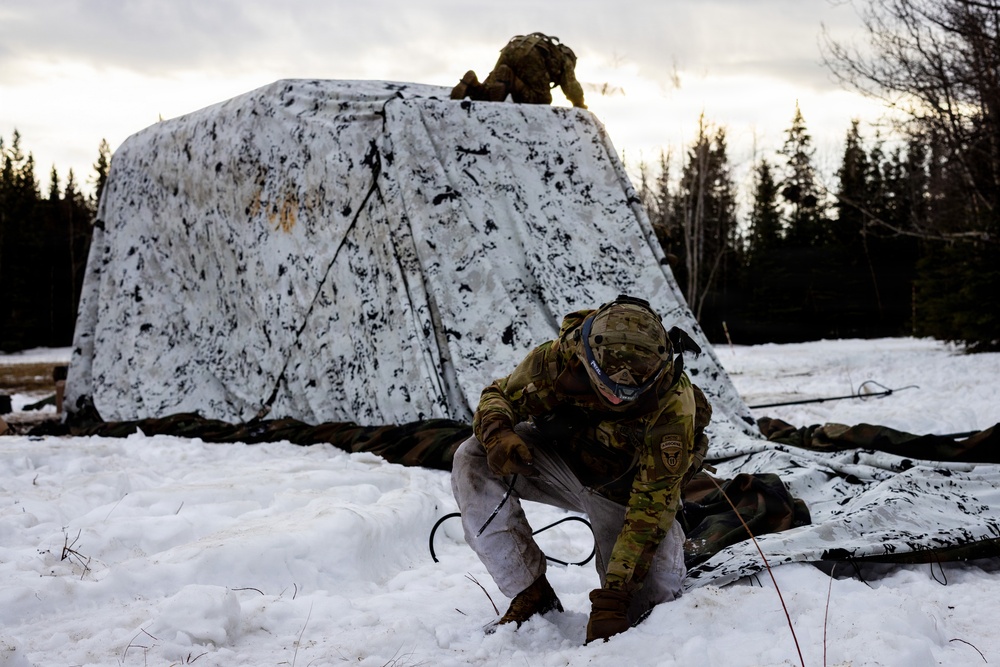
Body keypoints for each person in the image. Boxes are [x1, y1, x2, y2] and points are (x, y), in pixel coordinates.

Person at [451, 295, 711, 643]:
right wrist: (499, 434)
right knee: (472, 456)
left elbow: (651, 504)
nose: (617, 397)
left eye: (629, 391)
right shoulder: (560, 357)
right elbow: (500, 394)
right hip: (559, 465)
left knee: (649, 613)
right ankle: (530, 593)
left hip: (625, 492)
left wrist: (614, 597)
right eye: (607, 384)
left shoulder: (674, 403)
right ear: (587, 358)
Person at [450, 33, 587, 109]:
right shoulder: (564, 58)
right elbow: (571, 86)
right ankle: (511, 79)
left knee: (487, 93)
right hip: (531, 55)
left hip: (511, 48)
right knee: (542, 100)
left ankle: (472, 83)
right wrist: (579, 103)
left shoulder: (546, 47)